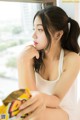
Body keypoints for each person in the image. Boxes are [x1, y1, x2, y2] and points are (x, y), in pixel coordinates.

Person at [17, 6, 80, 120]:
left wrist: (40, 97)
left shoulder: (72, 59)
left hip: (64, 111)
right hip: (40, 107)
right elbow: (26, 97)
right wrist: (22, 61)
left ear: (58, 35)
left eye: (40, 30)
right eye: (34, 29)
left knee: (30, 115)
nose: (33, 35)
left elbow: (56, 100)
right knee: (8, 113)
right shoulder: (31, 55)